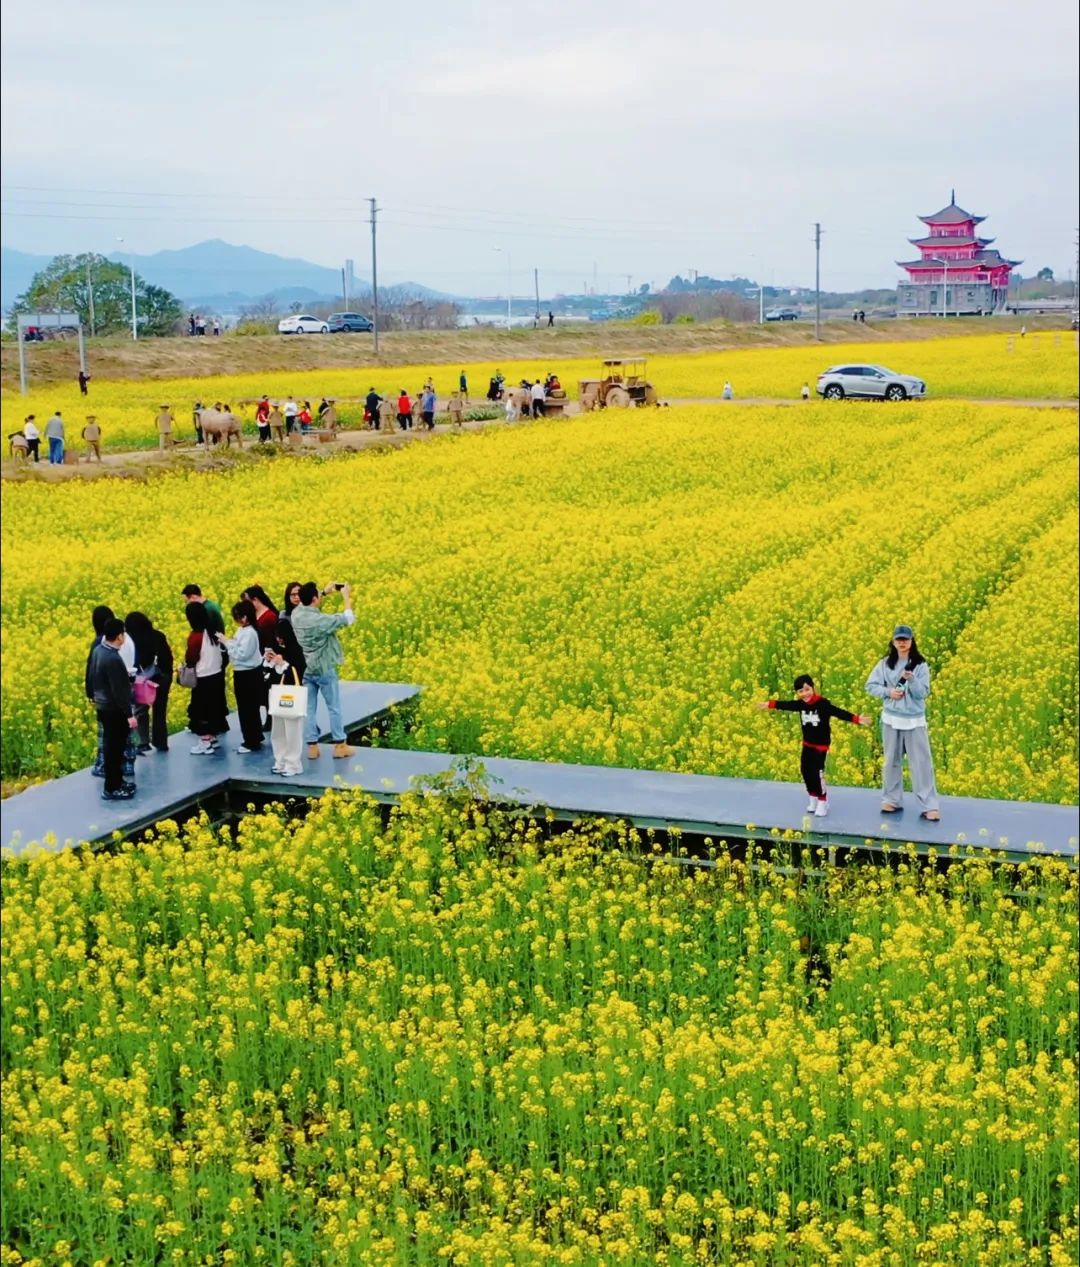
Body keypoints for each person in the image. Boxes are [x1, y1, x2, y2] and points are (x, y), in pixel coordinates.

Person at [754, 676, 871, 817]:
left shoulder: (823, 704)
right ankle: (813, 797)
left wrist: (857, 719)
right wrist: (770, 704)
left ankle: (823, 800)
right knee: (805, 770)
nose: (805, 694)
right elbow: (787, 705)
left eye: (807, 689)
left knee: (818, 772)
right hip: (807, 744)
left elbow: (838, 712)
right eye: (800, 691)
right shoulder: (801, 704)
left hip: (821, 745)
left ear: (813, 687)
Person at [865, 624, 941, 821]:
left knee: (921, 764)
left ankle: (929, 805)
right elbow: (871, 686)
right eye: (898, 639)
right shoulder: (884, 664)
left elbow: (922, 693)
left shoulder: (920, 665)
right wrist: (888, 692)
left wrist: (912, 680)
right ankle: (891, 799)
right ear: (893, 641)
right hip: (891, 719)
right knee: (891, 761)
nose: (902, 643)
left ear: (911, 641)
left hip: (914, 720)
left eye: (905, 640)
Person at [291, 581, 357, 760]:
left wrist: (324, 592)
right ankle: (339, 745)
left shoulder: (296, 614)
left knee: (309, 709)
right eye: (318, 596)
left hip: (306, 668)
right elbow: (348, 619)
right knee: (334, 707)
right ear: (314, 599)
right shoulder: (320, 621)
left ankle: (312, 747)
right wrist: (345, 597)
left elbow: (307, 601)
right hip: (324, 668)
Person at [91, 618, 138, 800]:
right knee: (115, 750)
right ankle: (112, 787)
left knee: (111, 747)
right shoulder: (112, 659)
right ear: (119, 636)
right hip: (114, 709)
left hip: (103, 706)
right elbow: (119, 691)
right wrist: (129, 714)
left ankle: (117, 782)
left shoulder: (99, 650)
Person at [124, 611, 174, 754]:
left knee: (140, 709)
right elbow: (167, 657)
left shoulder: (130, 642)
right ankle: (161, 742)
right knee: (160, 710)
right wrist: (167, 675)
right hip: (160, 677)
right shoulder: (157, 635)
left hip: (141, 680)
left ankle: (142, 742)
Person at [217, 601, 264, 753]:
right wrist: (228, 642)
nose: (236, 620)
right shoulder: (243, 630)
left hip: (247, 674)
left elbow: (242, 654)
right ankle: (256, 736)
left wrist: (226, 643)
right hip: (246, 673)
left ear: (245, 617)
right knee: (250, 708)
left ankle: (251, 741)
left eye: (237, 617)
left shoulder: (249, 633)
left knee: (247, 709)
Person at [183, 602, 229, 754]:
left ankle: (205, 742)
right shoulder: (212, 632)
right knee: (214, 708)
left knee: (201, 711)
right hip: (216, 675)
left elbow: (191, 658)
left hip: (203, 677)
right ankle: (213, 738)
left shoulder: (196, 636)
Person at [264, 618, 307, 776]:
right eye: (276, 636)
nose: (278, 640)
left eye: (281, 636)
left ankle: (294, 764)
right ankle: (280, 760)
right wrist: (269, 661)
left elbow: (298, 671)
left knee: (293, 731)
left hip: (292, 695)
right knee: (278, 731)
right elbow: (269, 672)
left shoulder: (296, 649)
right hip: (277, 693)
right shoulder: (276, 648)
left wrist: (283, 664)